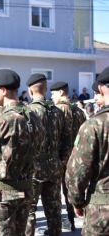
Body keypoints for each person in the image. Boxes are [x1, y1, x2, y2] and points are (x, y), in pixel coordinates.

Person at [0, 69, 44, 236]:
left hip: (3, 195)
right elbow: (38, 146)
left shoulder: (4, 119)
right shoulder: (32, 116)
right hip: (25, 190)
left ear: (3, 91)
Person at [65, 66, 109, 235]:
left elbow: (77, 171)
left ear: (100, 88)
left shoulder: (95, 125)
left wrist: (77, 201)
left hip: (103, 212)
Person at [25, 74, 70, 236]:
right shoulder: (57, 112)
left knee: (29, 211)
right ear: (45, 89)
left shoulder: (29, 112)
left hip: (34, 169)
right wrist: (60, 162)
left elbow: (24, 144)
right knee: (54, 209)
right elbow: (67, 141)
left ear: (30, 91)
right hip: (54, 166)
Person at [50, 81, 86, 231]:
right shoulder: (78, 111)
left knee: (55, 193)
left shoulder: (57, 110)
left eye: (53, 93)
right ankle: (72, 220)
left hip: (60, 157)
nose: (51, 97)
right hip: (77, 157)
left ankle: (59, 224)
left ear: (60, 92)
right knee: (72, 189)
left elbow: (53, 135)